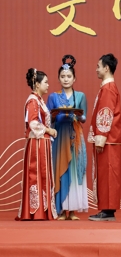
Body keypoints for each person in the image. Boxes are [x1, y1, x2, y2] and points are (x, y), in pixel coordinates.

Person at [47, 55, 89, 220]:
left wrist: (76, 115)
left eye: (69, 76)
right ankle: (61, 209)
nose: (66, 79)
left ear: (74, 78)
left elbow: (84, 118)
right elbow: (48, 119)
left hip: (75, 135)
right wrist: (55, 115)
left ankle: (72, 210)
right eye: (63, 76)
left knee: (74, 171)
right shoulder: (53, 97)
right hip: (59, 136)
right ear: (58, 78)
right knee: (61, 170)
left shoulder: (80, 96)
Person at [17, 69, 57, 221]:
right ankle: (36, 210)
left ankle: (42, 209)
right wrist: (49, 130)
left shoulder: (38, 100)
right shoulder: (33, 101)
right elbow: (33, 123)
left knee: (42, 175)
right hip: (37, 144)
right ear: (37, 84)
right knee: (36, 175)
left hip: (42, 144)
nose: (48, 85)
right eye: (45, 82)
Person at [88, 54, 121, 222]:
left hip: (108, 139)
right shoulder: (108, 87)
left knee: (107, 173)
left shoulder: (108, 88)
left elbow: (105, 114)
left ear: (106, 68)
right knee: (107, 173)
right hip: (110, 138)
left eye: (98, 66)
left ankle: (107, 210)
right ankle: (107, 209)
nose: (96, 69)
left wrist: (100, 137)